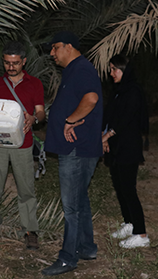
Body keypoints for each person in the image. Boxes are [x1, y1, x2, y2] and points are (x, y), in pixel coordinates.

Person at [42, 31, 103, 276]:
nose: (52, 54)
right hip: (79, 148)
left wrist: (69, 120)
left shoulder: (81, 69)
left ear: (69, 46)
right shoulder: (75, 70)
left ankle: (68, 258)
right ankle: (87, 247)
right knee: (80, 201)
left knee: (71, 208)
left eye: (55, 47)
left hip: (76, 148)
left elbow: (91, 98)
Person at [0, 41, 45, 250]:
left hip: (23, 144)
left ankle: (31, 230)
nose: (10, 67)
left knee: (26, 189)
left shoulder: (34, 84)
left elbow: (41, 111)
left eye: (15, 63)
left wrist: (34, 119)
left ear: (24, 61)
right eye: (6, 63)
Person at [102, 54, 150, 248]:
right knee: (120, 187)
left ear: (125, 70)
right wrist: (105, 135)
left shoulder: (133, 91)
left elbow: (127, 118)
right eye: (111, 69)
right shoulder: (119, 91)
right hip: (116, 146)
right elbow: (111, 116)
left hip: (128, 146)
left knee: (129, 189)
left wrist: (107, 135)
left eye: (115, 69)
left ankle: (141, 234)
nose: (111, 73)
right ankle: (129, 223)